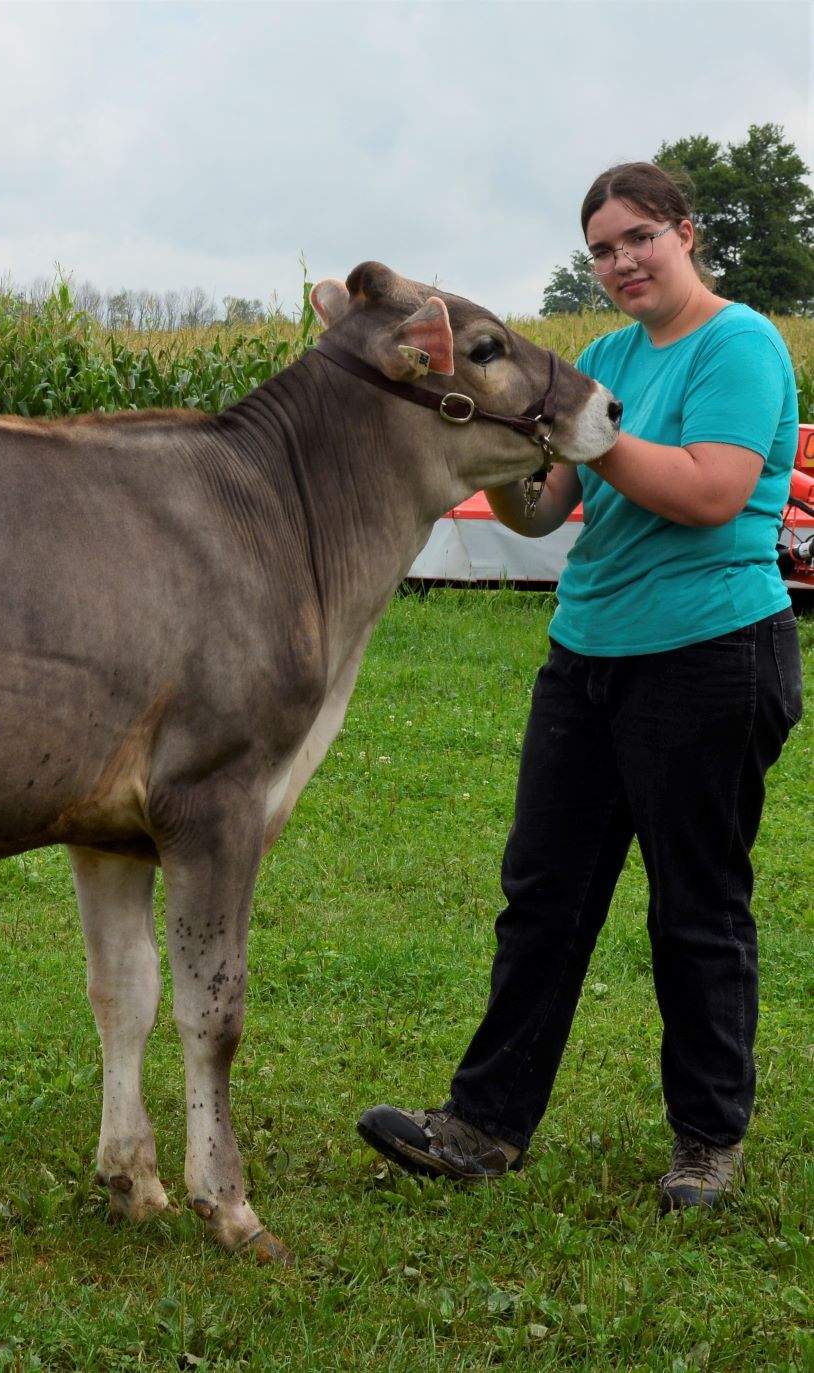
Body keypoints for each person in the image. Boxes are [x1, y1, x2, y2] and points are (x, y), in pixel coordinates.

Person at [357, 161, 803, 1210]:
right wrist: (492, 446)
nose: (618, 262)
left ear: (685, 233)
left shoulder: (738, 344)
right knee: (541, 896)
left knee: (693, 907)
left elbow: (708, 491)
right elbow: (544, 507)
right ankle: (482, 1125)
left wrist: (581, 436)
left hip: (707, 656)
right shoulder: (602, 355)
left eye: (637, 237)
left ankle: (705, 1143)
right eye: (600, 248)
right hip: (586, 656)